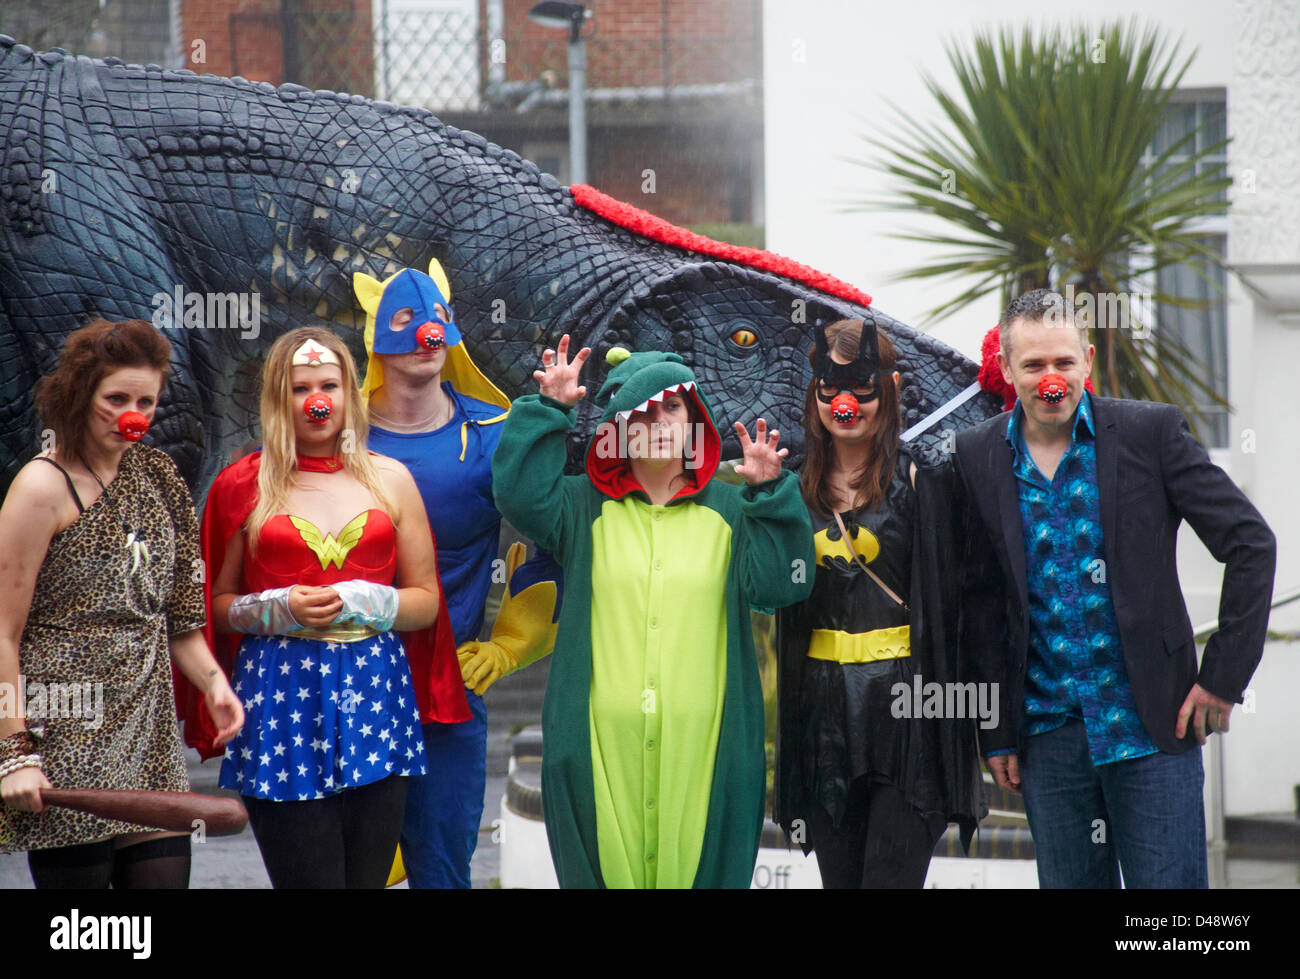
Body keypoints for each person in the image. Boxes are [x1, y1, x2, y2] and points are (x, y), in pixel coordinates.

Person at [953, 288, 1276, 888]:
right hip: (1048, 742)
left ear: (1089, 360)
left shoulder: (1149, 433)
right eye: (1033, 365)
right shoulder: (977, 456)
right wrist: (993, 727)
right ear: (1005, 369)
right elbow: (981, 603)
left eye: (1064, 362)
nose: (1052, 378)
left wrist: (1222, 679)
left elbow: (1251, 545)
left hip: (1153, 729)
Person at [492, 336, 815, 888]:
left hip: (707, 755)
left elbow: (782, 585)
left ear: (695, 421)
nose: (661, 420)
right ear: (618, 426)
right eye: (643, 410)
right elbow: (519, 496)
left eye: (673, 406)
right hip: (596, 753)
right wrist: (551, 410)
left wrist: (771, 498)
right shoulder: (579, 507)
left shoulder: (734, 510)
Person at [0, 318, 242, 888]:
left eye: (145, 401)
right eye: (116, 398)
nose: (132, 414)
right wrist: (14, 752)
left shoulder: (159, 476)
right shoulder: (42, 487)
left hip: (149, 732)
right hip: (67, 732)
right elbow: (2, 633)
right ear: (81, 395)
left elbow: (179, 620)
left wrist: (213, 685)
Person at [201, 326, 443, 888]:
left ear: (350, 392)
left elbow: (427, 602)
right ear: (277, 399)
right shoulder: (242, 485)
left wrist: (370, 600)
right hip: (281, 699)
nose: (318, 399)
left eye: (330, 384)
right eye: (300, 386)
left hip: (376, 697)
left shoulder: (392, 480)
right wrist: (274, 608)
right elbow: (212, 605)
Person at [353, 260, 561, 888]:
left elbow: (552, 538)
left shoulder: (494, 434)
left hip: (450, 685)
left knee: (443, 868)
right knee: (344, 867)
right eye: (407, 320)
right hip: (348, 680)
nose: (427, 332)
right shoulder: (338, 437)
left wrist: (510, 645)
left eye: (438, 317)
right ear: (377, 339)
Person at [773, 318, 984, 888]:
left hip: (907, 712)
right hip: (822, 714)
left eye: (861, 389)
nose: (844, 404)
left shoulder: (922, 480)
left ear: (887, 391)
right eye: (829, 390)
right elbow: (770, 590)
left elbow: (960, 604)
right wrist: (761, 500)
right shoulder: (790, 488)